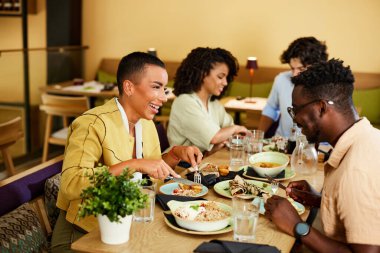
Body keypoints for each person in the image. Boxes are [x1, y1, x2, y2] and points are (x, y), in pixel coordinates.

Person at [51, 52, 203, 252]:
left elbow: (150, 175)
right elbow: (70, 184)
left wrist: (173, 155)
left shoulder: (146, 123)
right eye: (156, 87)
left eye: (164, 89)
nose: (164, 98)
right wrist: (133, 164)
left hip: (128, 228)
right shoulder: (92, 124)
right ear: (129, 87)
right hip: (82, 236)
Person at [264, 59, 380, 252]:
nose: (295, 120)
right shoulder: (368, 138)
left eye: (296, 110)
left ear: (321, 108)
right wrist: (321, 199)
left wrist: (297, 226)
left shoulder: (356, 171)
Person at [167, 47, 248, 155]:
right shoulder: (184, 102)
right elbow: (214, 137)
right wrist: (235, 128)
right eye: (220, 77)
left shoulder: (214, 104)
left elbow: (233, 134)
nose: (225, 83)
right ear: (202, 74)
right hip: (182, 167)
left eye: (226, 78)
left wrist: (230, 133)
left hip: (204, 162)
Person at [258, 37, 328, 137]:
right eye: (292, 68)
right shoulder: (281, 79)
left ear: (317, 66)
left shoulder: (328, 86)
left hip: (312, 147)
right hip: (281, 143)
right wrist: (258, 136)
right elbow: (271, 108)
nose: (295, 74)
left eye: (301, 69)